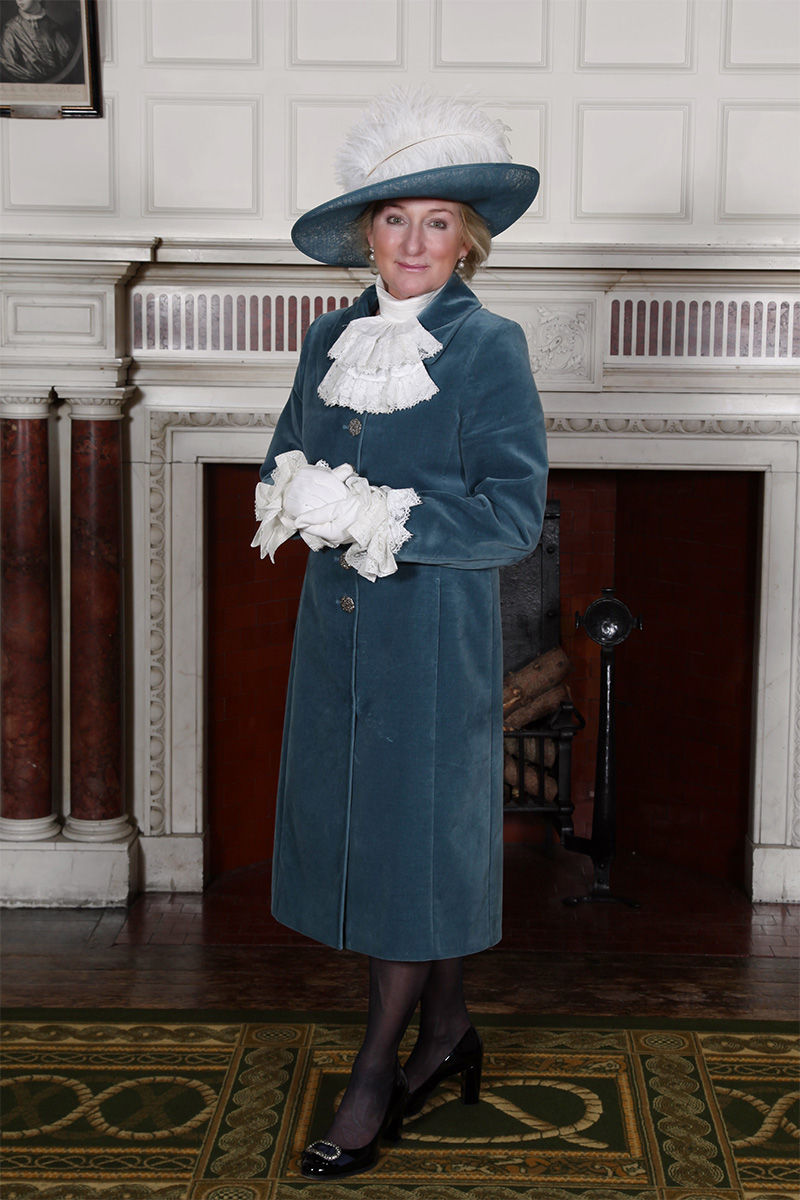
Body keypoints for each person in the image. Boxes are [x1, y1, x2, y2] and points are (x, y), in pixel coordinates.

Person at [252, 87, 548, 1180]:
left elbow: (512, 517)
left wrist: (383, 515)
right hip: (331, 639)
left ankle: (376, 1068)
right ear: (366, 235)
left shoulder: (489, 347)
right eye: (393, 220)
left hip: (433, 638)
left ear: (464, 238)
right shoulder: (328, 335)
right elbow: (282, 455)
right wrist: (297, 492)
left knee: (413, 850)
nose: (413, 241)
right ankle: (449, 1027)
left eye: (435, 222)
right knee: (378, 845)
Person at [0, 0, 74, 85]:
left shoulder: (54, 28)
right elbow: (9, 64)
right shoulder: (10, 30)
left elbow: (67, 58)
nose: (19, 0)